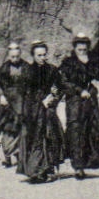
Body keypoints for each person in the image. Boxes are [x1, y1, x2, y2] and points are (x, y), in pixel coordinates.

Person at [55, 34, 99, 178]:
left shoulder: (91, 60)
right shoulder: (68, 63)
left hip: (89, 100)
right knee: (75, 131)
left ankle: (90, 162)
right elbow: (63, 82)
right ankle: (78, 167)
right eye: (79, 49)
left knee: (92, 129)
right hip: (74, 101)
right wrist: (79, 91)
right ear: (74, 48)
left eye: (84, 49)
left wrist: (90, 64)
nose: (82, 51)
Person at [17, 41, 65, 184]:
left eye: (44, 54)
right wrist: (39, 102)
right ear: (33, 55)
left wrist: (53, 98)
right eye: (39, 55)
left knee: (50, 138)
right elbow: (24, 93)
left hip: (48, 111)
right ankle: (36, 171)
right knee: (35, 138)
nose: (42, 57)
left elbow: (61, 88)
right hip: (33, 111)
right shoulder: (27, 72)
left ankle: (48, 170)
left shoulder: (52, 70)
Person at [0, 43, 29, 167]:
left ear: (20, 54)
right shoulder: (3, 68)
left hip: (22, 101)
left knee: (21, 128)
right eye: (12, 57)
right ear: (9, 55)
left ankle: (20, 156)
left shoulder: (26, 67)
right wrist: (2, 96)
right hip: (7, 102)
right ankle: (7, 156)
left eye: (17, 56)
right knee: (7, 128)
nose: (15, 59)